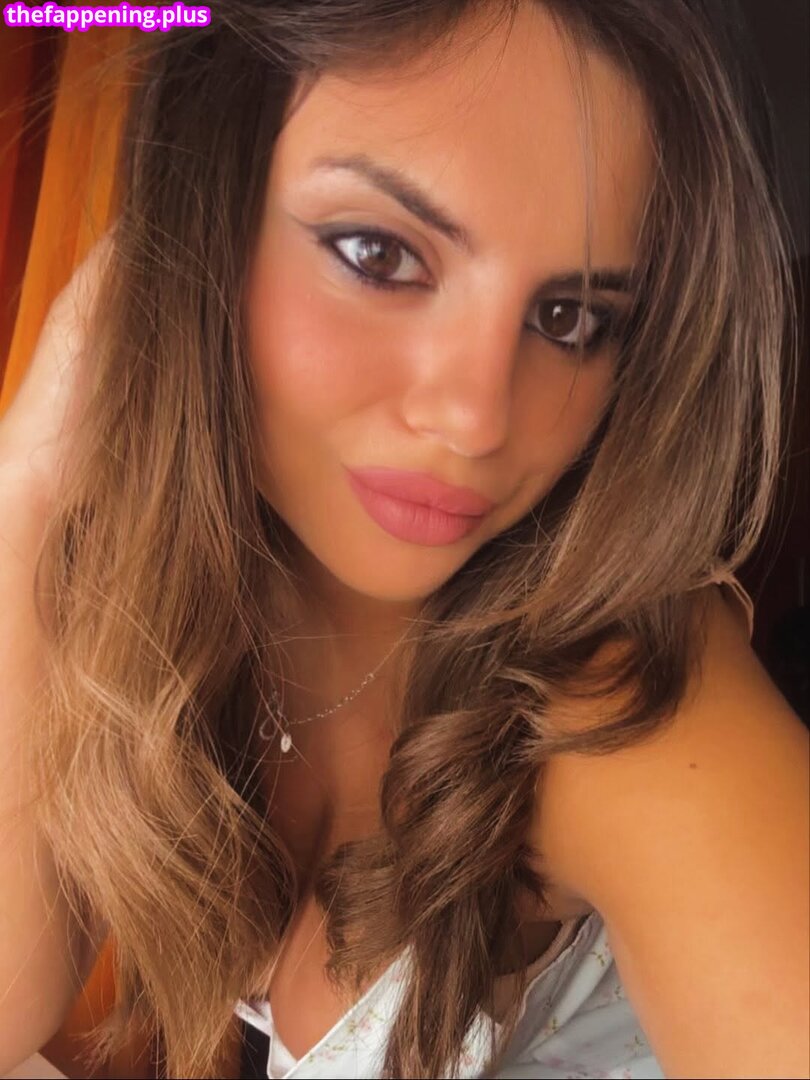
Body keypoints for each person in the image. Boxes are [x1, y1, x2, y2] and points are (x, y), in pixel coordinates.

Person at [0, 1, 807, 1078]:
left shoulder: (623, 707)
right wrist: (28, 486)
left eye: (571, 319)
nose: (475, 419)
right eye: (378, 255)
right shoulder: (187, 621)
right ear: (201, 229)